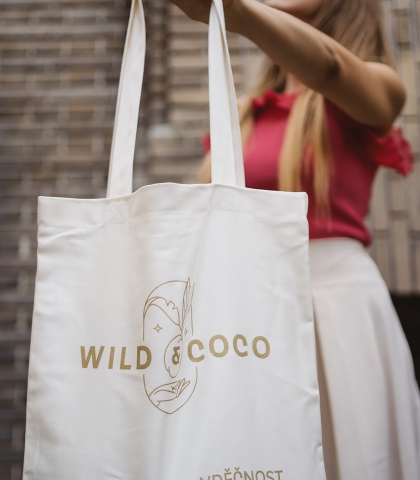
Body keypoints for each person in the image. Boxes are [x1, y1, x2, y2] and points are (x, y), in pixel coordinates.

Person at [170, 0, 420, 479]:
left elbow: (329, 67)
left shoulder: (378, 86)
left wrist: (234, 11)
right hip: (247, 316)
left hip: (334, 308)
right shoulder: (244, 113)